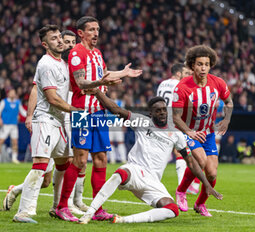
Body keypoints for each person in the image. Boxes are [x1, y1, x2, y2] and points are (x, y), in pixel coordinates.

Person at [78, 90, 222, 224]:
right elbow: (116, 110)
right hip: (135, 170)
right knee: (120, 173)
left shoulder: (176, 133)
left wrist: (206, 184)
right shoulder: (142, 121)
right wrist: (97, 93)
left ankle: (123, 220)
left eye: (164, 109)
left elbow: (191, 162)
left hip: (153, 181)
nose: (162, 113)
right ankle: (89, 213)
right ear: (151, 113)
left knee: (172, 210)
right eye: (158, 110)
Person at [55, 16, 142, 222]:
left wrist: (123, 73)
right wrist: (100, 82)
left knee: (101, 159)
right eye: (92, 30)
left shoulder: (97, 53)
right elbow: (81, 81)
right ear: (81, 33)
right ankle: (61, 206)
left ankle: (97, 208)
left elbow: (103, 75)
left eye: (98, 29)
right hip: (82, 111)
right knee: (80, 159)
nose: (96, 33)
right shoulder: (77, 53)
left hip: (99, 112)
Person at [3, 30, 89, 216]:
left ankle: (60, 206)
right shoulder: (47, 64)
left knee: (67, 163)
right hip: (50, 117)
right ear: (47, 44)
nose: (67, 45)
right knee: (44, 173)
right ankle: (25, 210)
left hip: (63, 119)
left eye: (71, 42)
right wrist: (29, 115)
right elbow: (39, 91)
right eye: (63, 41)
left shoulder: (69, 65)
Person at [172, 45, 233, 217]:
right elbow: (175, 117)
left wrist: (226, 119)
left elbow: (229, 102)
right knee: (200, 159)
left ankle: (200, 204)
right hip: (187, 131)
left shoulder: (218, 83)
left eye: (206, 64)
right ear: (192, 65)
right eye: (199, 64)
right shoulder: (182, 87)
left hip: (208, 133)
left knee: (212, 173)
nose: (203, 68)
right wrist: (189, 132)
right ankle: (181, 191)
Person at [156, 63, 200, 195]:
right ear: (178, 74)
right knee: (183, 152)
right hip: (174, 120)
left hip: (160, 121)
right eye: (186, 73)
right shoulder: (181, 86)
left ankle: (153, 181)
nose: (188, 76)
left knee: (166, 153)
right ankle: (186, 185)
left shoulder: (162, 84)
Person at [0, 88, 26, 164]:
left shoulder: (18, 103)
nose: (12, 94)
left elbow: (23, 112)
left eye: (13, 93)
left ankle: (14, 158)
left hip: (14, 125)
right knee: (1, 141)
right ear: (8, 94)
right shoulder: (4, 102)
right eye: (11, 92)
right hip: (5, 125)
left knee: (15, 142)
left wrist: (30, 114)